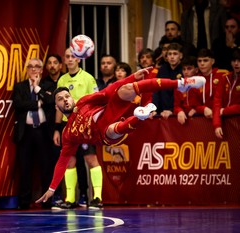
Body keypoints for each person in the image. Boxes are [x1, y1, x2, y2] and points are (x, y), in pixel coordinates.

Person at [36, 68, 206, 204]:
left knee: (125, 89)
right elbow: (62, 162)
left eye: (67, 96)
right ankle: (140, 116)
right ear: (57, 107)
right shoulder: (68, 134)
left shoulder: (84, 101)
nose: (65, 99)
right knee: (111, 129)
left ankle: (181, 83)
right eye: (60, 99)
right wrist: (52, 189)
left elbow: (109, 90)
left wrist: (132, 77)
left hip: (111, 112)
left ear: (72, 99)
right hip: (106, 135)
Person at [53, 48, 103, 209]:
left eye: (73, 56)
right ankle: (70, 199)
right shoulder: (62, 80)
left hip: (85, 124)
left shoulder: (88, 78)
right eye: (67, 56)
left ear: (79, 58)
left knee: (91, 159)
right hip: (68, 125)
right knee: (69, 161)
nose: (70, 59)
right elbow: (58, 107)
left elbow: (97, 101)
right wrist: (56, 128)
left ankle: (97, 198)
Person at [12, 58, 53, 209]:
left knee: (45, 168)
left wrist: (37, 89)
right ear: (27, 69)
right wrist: (37, 103)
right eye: (30, 67)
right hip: (26, 132)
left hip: (43, 131)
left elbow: (50, 101)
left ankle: (47, 202)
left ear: (42, 70)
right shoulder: (20, 87)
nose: (34, 69)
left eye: (37, 67)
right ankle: (24, 203)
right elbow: (18, 104)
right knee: (25, 168)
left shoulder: (48, 85)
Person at [40, 54, 65, 207]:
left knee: (61, 161)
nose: (52, 66)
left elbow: (51, 100)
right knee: (47, 163)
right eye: (49, 63)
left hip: (61, 127)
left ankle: (61, 196)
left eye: (55, 63)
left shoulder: (64, 80)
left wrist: (58, 129)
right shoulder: (43, 83)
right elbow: (48, 101)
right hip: (46, 128)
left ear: (60, 65)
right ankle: (48, 199)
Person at [213, 48, 240, 139]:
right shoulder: (225, 78)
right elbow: (217, 103)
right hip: (226, 123)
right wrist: (217, 125)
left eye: (239, 60)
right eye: (234, 60)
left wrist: (224, 111)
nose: (236, 63)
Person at [194, 48, 229, 118]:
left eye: (205, 60)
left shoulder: (224, 74)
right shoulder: (195, 80)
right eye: (199, 61)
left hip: (224, 117)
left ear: (212, 61)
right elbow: (194, 103)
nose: (202, 63)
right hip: (203, 119)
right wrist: (203, 109)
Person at [153, 43, 184, 119]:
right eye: (169, 54)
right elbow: (156, 90)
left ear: (181, 56)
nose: (172, 57)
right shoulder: (162, 69)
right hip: (162, 112)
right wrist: (154, 109)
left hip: (179, 113)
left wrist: (172, 110)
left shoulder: (185, 69)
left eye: (175, 54)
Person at [173, 56, 201, 124]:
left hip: (202, 119)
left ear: (196, 70)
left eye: (189, 69)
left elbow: (208, 104)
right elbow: (176, 106)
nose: (186, 72)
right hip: (185, 120)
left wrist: (197, 110)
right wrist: (179, 111)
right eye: (184, 69)